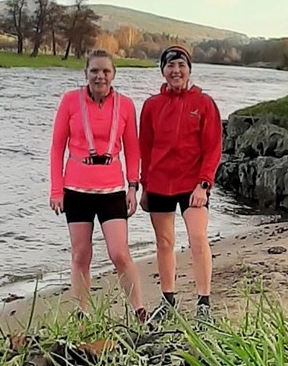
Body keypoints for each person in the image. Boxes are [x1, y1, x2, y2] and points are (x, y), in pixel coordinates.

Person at [49, 49, 146, 323]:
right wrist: (56, 190)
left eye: (105, 71)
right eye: (94, 71)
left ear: (113, 74)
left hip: (112, 189)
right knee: (81, 254)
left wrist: (132, 186)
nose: (100, 76)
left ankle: (138, 310)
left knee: (119, 253)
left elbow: (133, 149)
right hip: (76, 189)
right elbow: (57, 148)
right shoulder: (70, 101)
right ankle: (82, 314)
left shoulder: (125, 105)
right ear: (86, 73)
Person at [139, 45, 222, 323]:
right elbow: (145, 147)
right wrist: (144, 186)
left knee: (198, 238)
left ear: (189, 70)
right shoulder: (152, 105)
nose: (176, 71)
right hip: (160, 182)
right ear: (163, 71)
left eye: (181, 66)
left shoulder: (204, 103)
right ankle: (168, 299)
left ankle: (203, 303)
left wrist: (204, 184)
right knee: (164, 242)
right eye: (170, 66)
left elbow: (213, 148)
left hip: (193, 184)